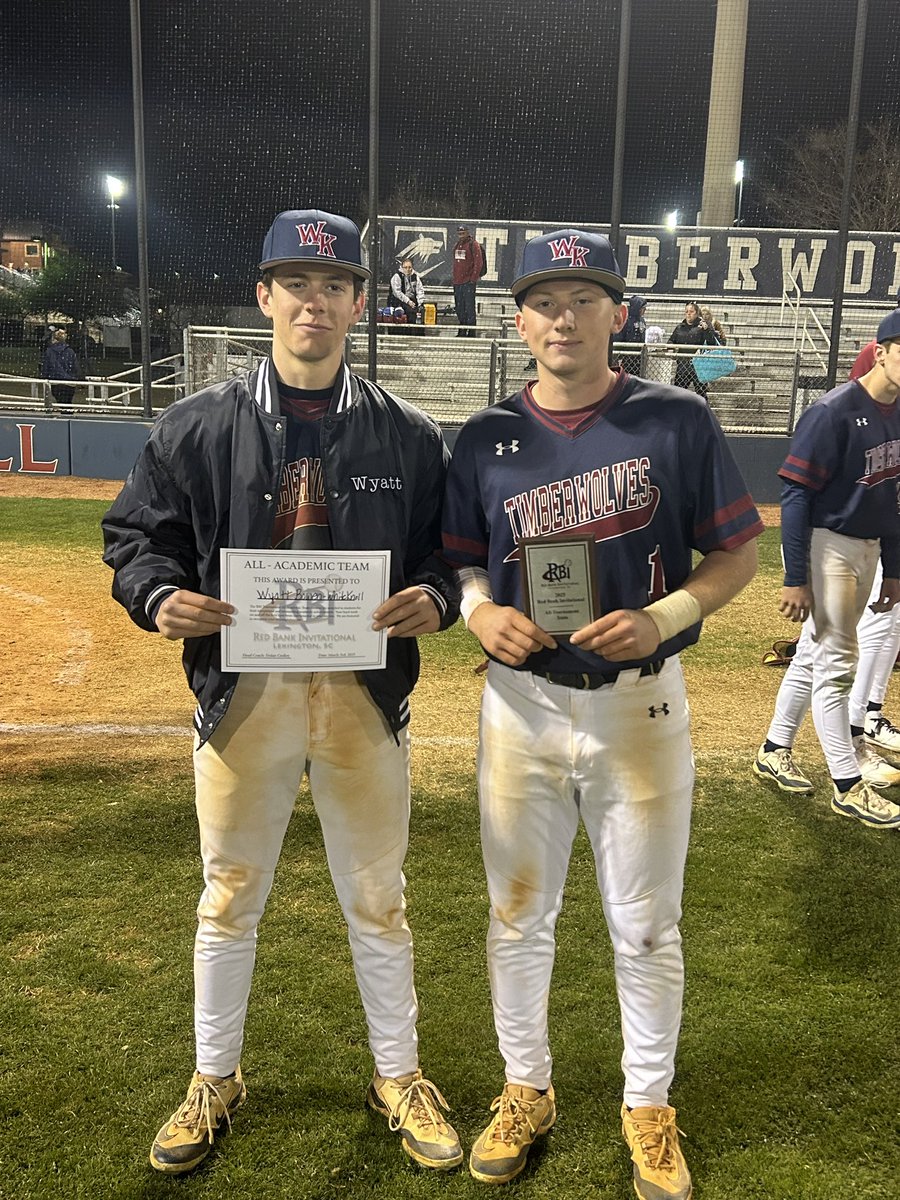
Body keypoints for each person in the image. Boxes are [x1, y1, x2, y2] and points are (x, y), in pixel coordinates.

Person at [102, 208, 463, 1177]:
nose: (315, 299)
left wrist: (437, 595)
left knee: (379, 898)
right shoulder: (195, 424)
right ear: (265, 297)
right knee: (229, 895)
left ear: (356, 302)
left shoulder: (413, 435)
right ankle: (214, 1077)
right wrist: (158, 594)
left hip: (363, 696)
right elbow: (137, 537)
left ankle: (398, 1074)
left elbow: (452, 552)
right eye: (295, 282)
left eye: (334, 283)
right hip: (243, 695)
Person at [441, 228, 762, 1197]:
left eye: (583, 299)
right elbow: (457, 560)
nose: (563, 318)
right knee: (516, 917)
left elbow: (737, 556)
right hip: (521, 710)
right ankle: (525, 1089)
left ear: (617, 315)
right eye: (545, 301)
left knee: (648, 927)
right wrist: (479, 610)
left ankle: (648, 1106)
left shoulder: (676, 420)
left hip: (640, 708)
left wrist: (665, 616)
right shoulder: (485, 436)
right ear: (519, 320)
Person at [753, 308, 900, 828]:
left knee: (814, 656)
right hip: (830, 545)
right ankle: (847, 782)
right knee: (838, 662)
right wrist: (795, 576)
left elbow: (893, 499)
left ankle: (774, 749)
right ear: (880, 352)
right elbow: (794, 495)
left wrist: (896, 569)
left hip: (868, 548)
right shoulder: (834, 410)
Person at [668, 301, 717, 396]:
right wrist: (672, 348)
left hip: (699, 367)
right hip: (683, 367)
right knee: (677, 394)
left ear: (697, 313)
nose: (688, 314)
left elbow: (712, 342)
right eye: (686, 311)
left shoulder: (704, 325)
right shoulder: (680, 327)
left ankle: (701, 410)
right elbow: (671, 341)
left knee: (701, 395)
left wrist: (706, 330)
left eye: (691, 311)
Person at [452, 224, 484, 337]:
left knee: (469, 307)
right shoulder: (457, 245)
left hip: (468, 282)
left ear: (468, 232)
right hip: (457, 282)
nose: (461, 236)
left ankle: (471, 331)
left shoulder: (473, 245)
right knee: (459, 307)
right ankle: (462, 329)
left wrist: (473, 279)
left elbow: (478, 263)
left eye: (463, 233)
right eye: (459, 234)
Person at [40, 328, 79, 407]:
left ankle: (66, 416)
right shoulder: (70, 351)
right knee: (67, 402)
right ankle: (68, 416)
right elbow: (75, 367)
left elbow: (46, 366)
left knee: (62, 403)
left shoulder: (49, 351)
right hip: (69, 382)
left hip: (55, 381)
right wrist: (74, 377)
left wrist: (44, 376)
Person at [389, 258, 425, 327]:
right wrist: (408, 301)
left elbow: (420, 290)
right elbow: (397, 293)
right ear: (402, 267)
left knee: (421, 312)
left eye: (409, 267)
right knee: (410, 312)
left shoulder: (415, 276)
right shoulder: (397, 276)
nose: (408, 269)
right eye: (405, 267)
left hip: (412, 300)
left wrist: (420, 303)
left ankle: (417, 333)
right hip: (398, 301)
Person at [620, 294, 648, 376]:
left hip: (639, 357)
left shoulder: (642, 320)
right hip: (627, 357)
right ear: (638, 308)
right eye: (643, 308)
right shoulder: (627, 320)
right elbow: (620, 336)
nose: (644, 310)